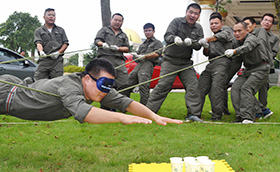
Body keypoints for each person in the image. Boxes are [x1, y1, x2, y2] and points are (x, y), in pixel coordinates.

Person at [0, 58, 183, 126]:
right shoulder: (70, 85)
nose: (106, 91)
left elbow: (124, 102)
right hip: (6, 94)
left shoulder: (97, 89)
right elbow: (83, 113)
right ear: (87, 78)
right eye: (103, 83)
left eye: (109, 85)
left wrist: (153, 116)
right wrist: (122, 118)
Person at [146, 3, 204, 122]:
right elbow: (167, 36)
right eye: (191, 12)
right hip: (170, 60)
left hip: (186, 63)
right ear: (186, 12)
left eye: (196, 13)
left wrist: (192, 43)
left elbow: (199, 45)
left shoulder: (198, 28)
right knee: (163, 85)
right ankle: (148, 112)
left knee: (193, 86)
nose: (192, 15)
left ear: (199, 16)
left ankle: (193, 115)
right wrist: (174, 39)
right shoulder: (176, 22)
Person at [225, 22, 270, 124]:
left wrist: (234, 51)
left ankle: (248, 118)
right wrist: (226, 79)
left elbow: (247, 47)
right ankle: (240, 116)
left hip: (261, 68)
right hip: (248, 69)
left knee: (246, 88)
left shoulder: (252, 38)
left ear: (247, 30)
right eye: (235, 31)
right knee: (235, 88)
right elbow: (236, 63)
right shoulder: (237, 43)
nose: (236, 33)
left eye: (239, 31)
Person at [197, 13, 235, 121]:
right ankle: (195, 113)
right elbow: (207, 53)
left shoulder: (226, 30)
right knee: (201, 87)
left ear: (221, 24)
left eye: (216, 23)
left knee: (216, 88)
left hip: (222, 62)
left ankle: (217, 115)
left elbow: (223, 37)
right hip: (211, 63)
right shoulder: (212, 37)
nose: (213, 25)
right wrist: (205, 47)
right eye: (211, 23)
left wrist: (207, 40)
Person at [125, 23, 163, 105]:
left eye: (149, 30)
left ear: (153, 31)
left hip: (148, 64)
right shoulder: (143, 44)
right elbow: (138, 57)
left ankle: (145, 107)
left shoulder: (157, 43)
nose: (147, 32)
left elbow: (157, 54)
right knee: (128, 83)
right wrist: (136, 56)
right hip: (139, 65)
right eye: (145, 31)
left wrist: (145, 56)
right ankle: (124, 104)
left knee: (143, 85)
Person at [94, 13, 130, 97]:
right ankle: (106, 107)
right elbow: (97, 41)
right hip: (105, 58)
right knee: (106, 83)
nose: (117, 22)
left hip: (119, 60)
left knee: (124, 82)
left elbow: (127, 48)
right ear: (111, 20)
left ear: (122, 22)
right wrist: (103, 44)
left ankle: (121, 104)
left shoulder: (123, 35)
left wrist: (118, 48)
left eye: (119, 21)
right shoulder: (104, 30)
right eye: (115, 20)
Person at [34, 8, 69, 80]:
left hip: (57, 61)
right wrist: (41, 52)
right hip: (44, 60)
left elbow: (65, 43)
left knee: (58, 82)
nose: (51, 17)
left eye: (53, 15)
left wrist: (58, 52)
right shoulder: (39, 31)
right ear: (44, 17)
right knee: (38, 81)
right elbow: (38, 43)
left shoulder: (61, 30)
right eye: (49, 15)